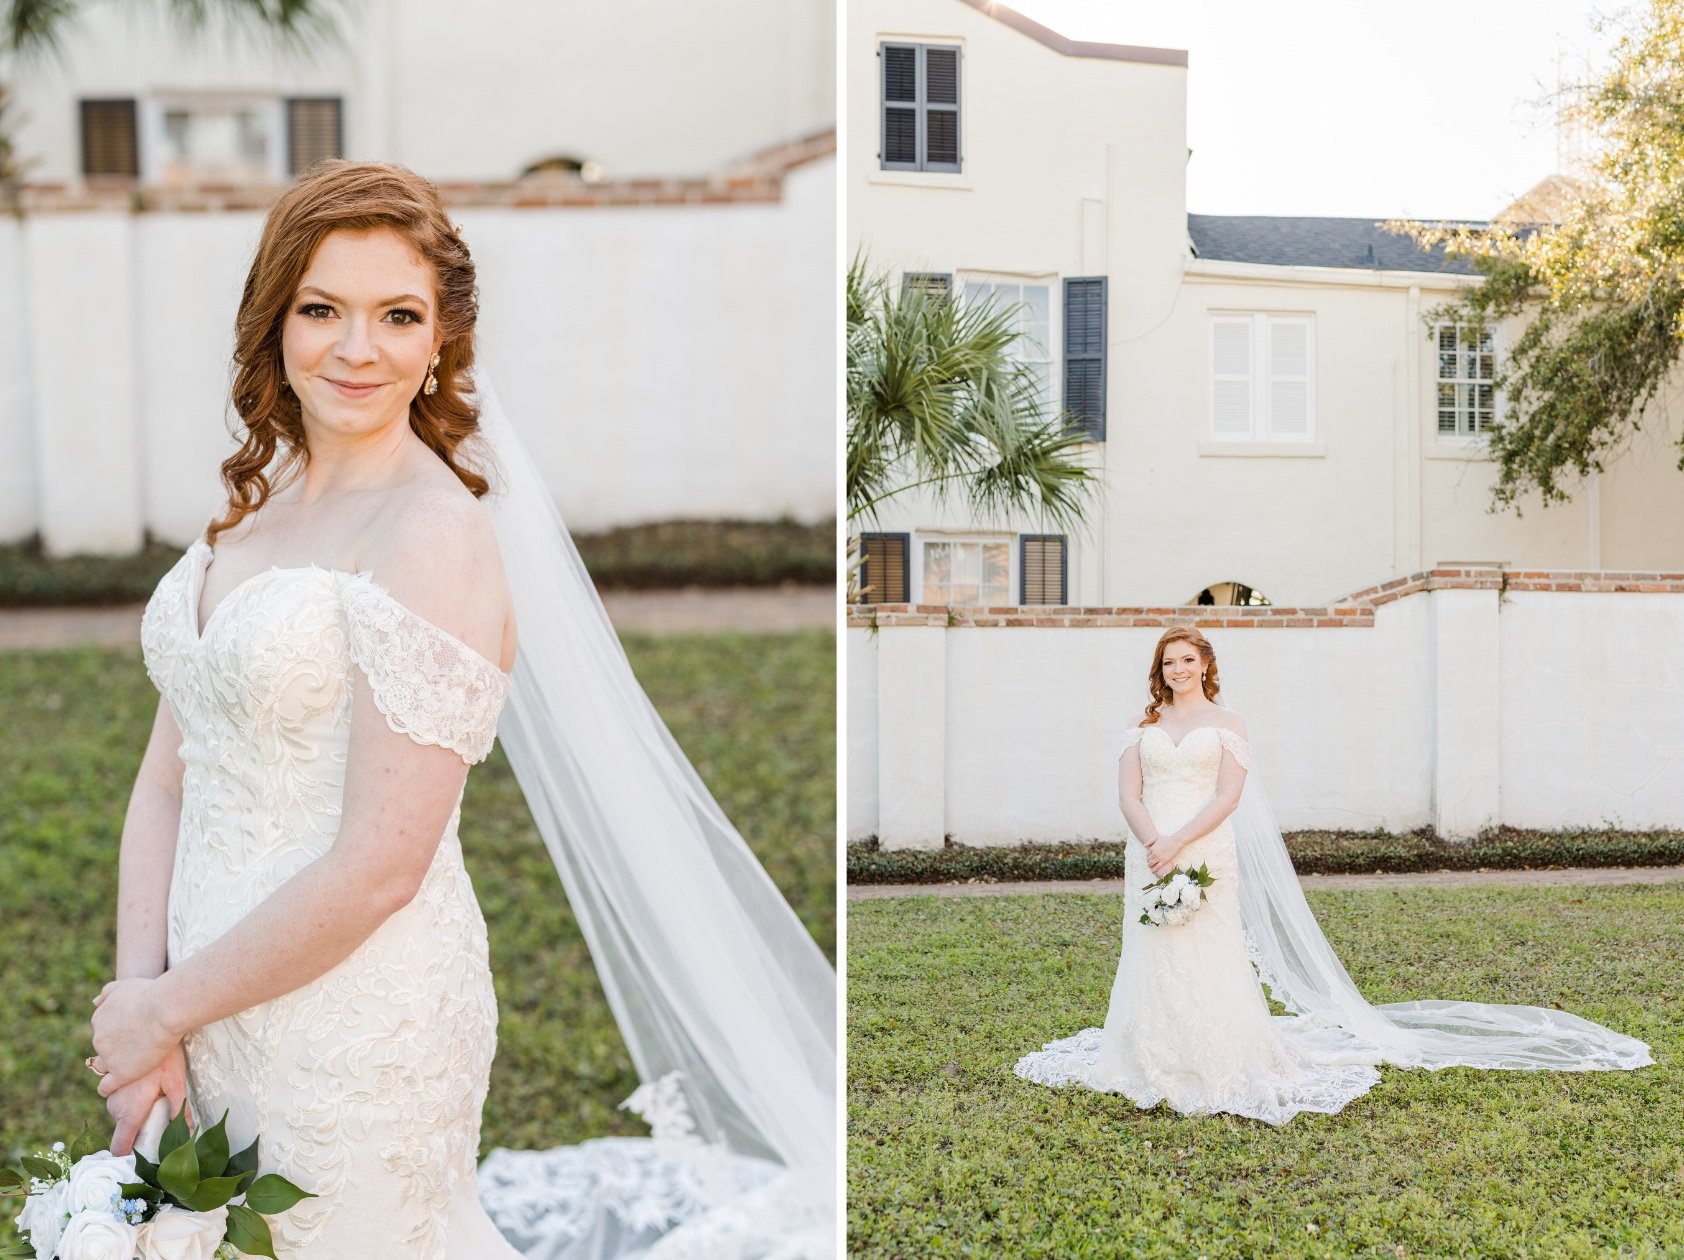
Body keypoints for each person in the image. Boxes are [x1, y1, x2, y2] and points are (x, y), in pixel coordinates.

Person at [87, 161, 835, 1258]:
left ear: (441, 340)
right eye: (321, 309)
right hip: (196, 990)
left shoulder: (434, 536)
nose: (357, 348)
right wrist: (142, 1003)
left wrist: (164, 1009)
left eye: (398, 315)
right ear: (274, 321)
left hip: (353, 1012)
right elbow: (166, 776)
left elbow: (384, 863)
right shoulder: (246, 512)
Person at [1013, 626, 1653, 1125]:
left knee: (1205, 944)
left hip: (1205, 845)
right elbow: (1128, 793)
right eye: (1168, 663)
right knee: (1153, 941)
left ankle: (1217, 1056)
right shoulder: (1143, 726)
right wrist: (1154, 840)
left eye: (1188, 660)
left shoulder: (1228, 725)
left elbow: (1228, 798)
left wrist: (1180, 840)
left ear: (1205, 665)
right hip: (1148, 848)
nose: (1178, 670)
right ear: (1160, 672)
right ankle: (1146, 1055)